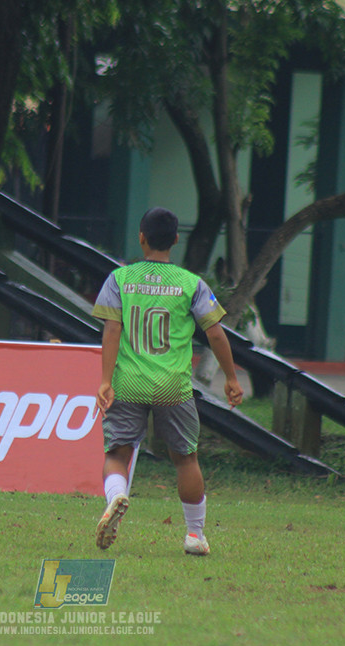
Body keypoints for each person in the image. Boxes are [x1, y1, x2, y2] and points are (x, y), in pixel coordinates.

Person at [92, 207, 244, 556]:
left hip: (128, 382)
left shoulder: (119, 279)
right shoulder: (191, 284)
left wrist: (105, 380)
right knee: (186, 459)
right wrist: (231, 377)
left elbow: (112, 329)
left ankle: (116, 497)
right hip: (172, 387)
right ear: (176, 240)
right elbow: (216, 335)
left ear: (141, 237)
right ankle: (194, 536)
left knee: (117, 453)